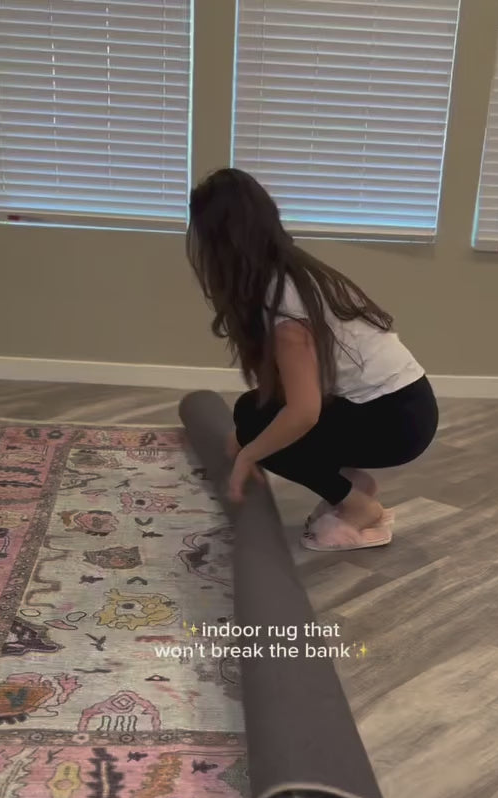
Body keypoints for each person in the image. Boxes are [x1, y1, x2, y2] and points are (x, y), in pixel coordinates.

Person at [186, 168, 439, 551]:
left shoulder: (285, 307)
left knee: (258, 427)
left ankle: (360, 508)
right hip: (399, 405)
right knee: (251, 412)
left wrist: (248, 455)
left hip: (396, 421)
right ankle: (351, 484)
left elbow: (304, 413)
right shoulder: (290, 273)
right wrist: (244, 440)